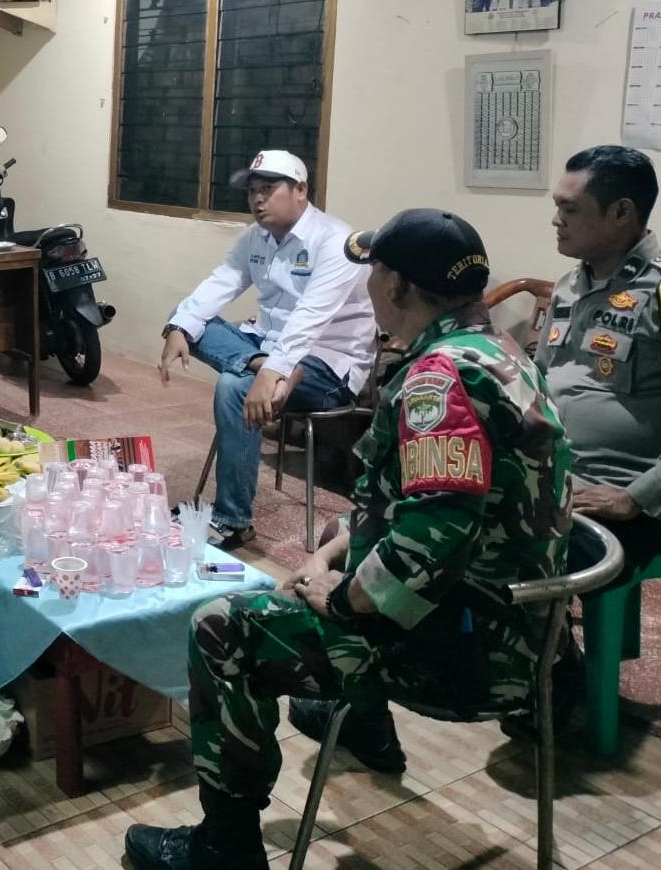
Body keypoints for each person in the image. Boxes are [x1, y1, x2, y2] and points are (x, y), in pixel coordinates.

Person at [125, 209, 572, 870]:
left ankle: (224, 848)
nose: (367, 286)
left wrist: (341, 598)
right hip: (507, 618)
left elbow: (428, 546)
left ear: (398, 286)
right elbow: (417, 508)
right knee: (334, 543)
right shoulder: (497, 351)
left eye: (375, 272)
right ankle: (366, 728)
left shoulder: (438, 381)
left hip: (463, 651)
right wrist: (331, 553)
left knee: (219, 628)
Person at [157, 150, 376, 549]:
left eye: (268, 189)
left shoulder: (336, 242)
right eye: (252, 191)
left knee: (233, 386)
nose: (257, 200)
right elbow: (222, 281)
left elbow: (310, 318)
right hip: (266, 346)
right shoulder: (254, 238)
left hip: (326, 365)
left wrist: (275, 370)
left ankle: (232, 521)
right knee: (185, 316)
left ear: (301, 190)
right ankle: (252, 363)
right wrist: (179, 327)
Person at [540, 145, 661, 583]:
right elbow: (538, 381)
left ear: (620, 213)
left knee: (506, 556)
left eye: (570, 209)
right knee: (448, 522)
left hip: (632, 502)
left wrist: (638, 496)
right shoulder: (568, 287)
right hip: (558, 483)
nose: (556, 220)